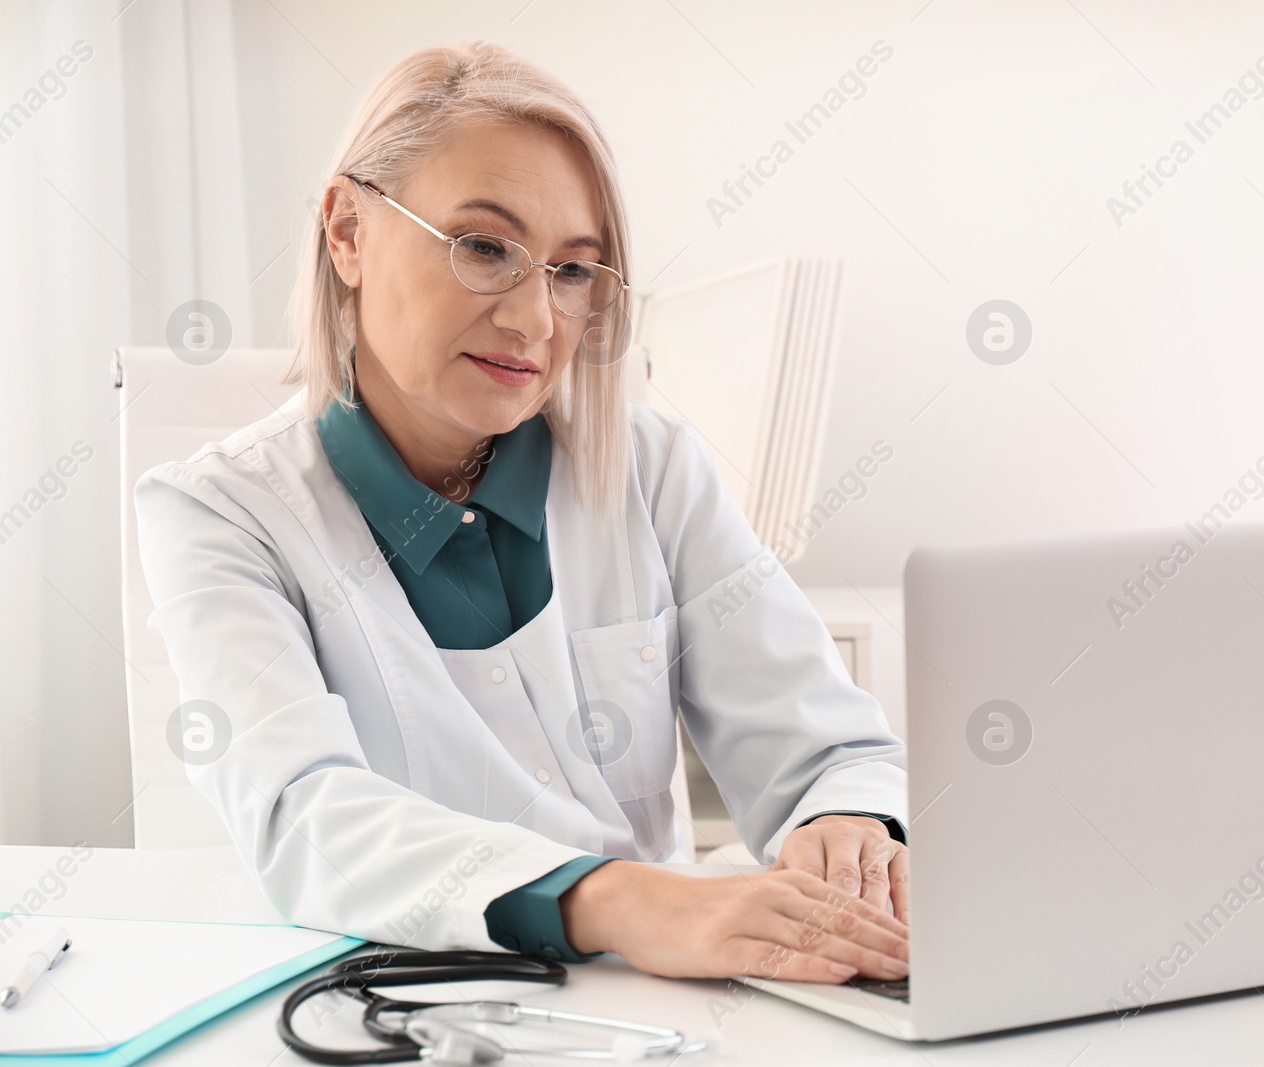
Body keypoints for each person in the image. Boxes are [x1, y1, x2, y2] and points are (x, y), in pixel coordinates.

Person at [135, 41, 909, 985]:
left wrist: (847, 824)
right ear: (347, 231)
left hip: (672, 1007)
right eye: (485, 248)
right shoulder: (221, 514)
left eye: (573, 271)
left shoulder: (654, 467)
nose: (537, 322)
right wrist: (624, 898)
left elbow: (826, 749)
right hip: (408, 1001)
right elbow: (306, 817)